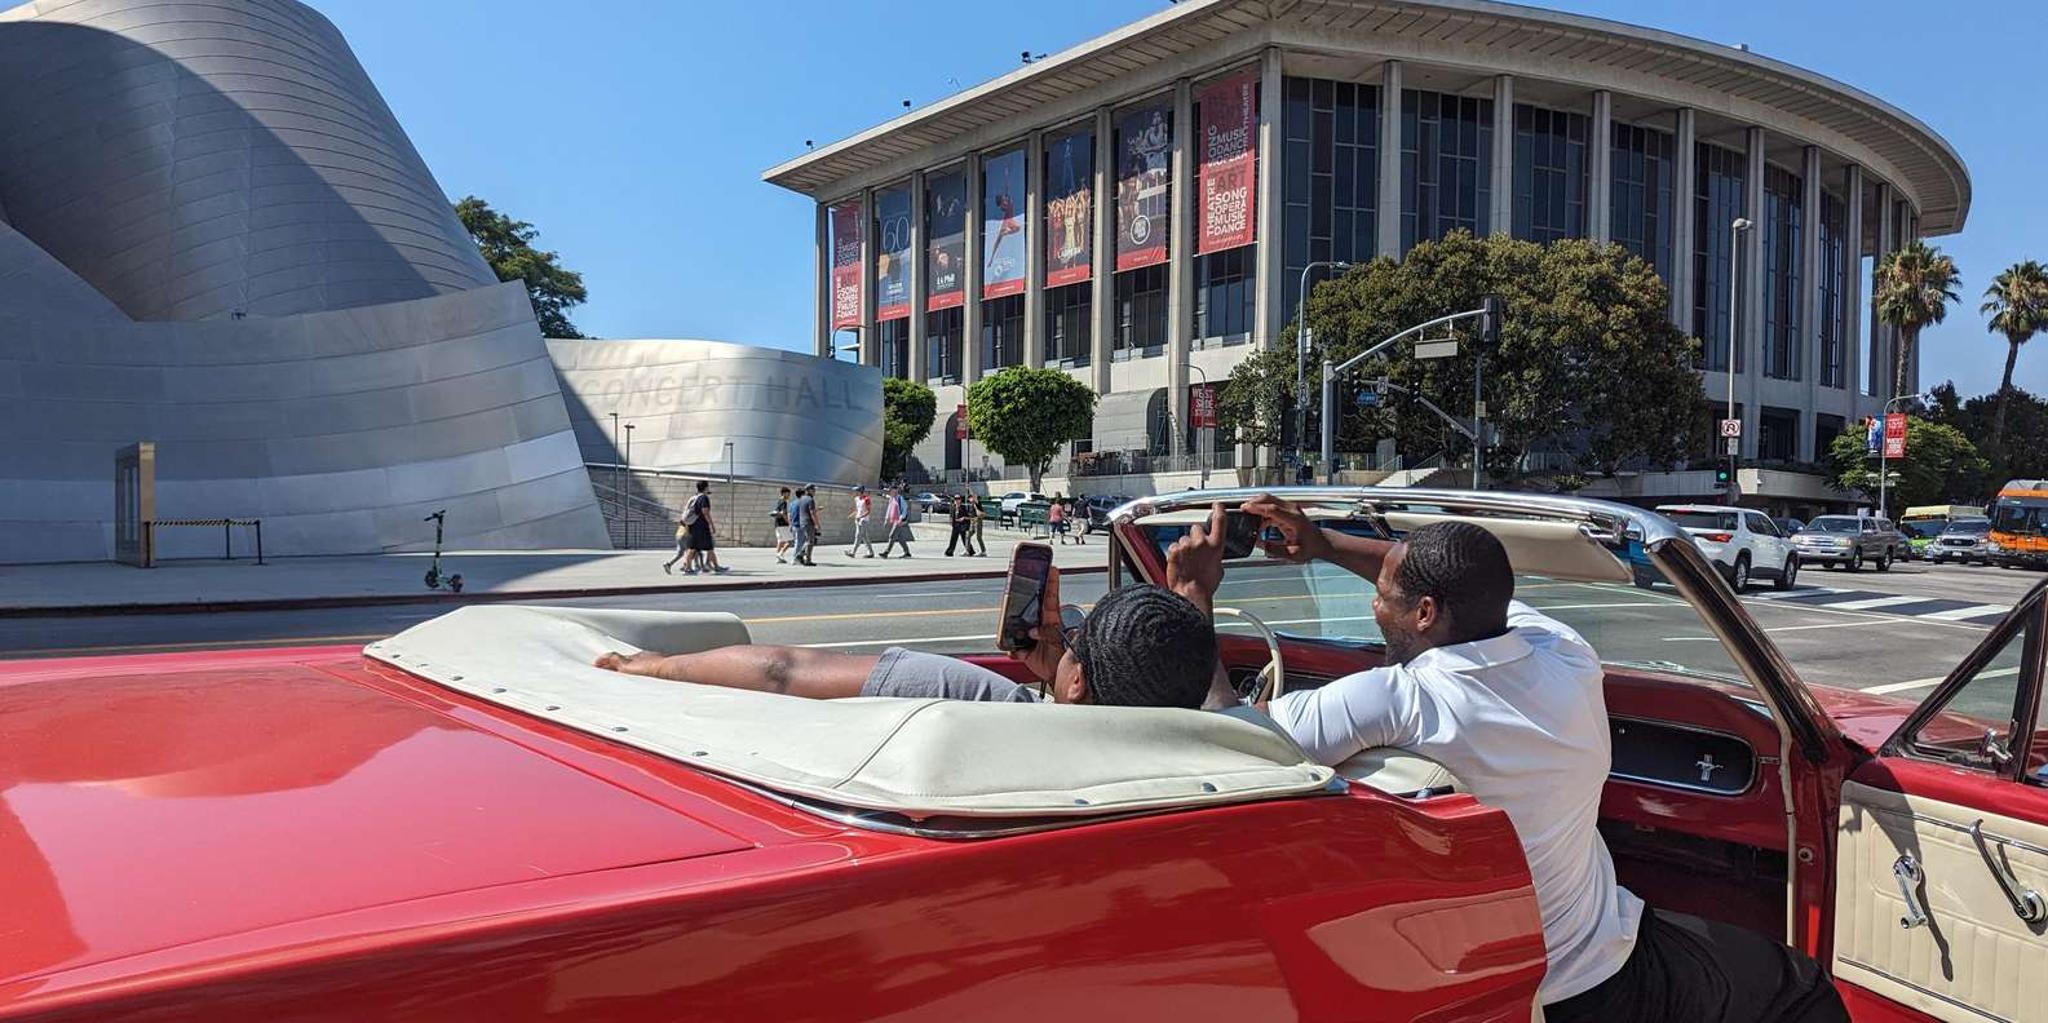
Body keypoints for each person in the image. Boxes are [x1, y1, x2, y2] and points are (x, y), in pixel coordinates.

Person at [1168, 496, 1848, 1023]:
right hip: (1608, 965)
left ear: (1426, 612)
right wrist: (1319, 543)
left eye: (1384, 596)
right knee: (1803, 987)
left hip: (1483, 981)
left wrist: (1195, 600)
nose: (1375, 602)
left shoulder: (1398, 700)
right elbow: (1466, 585)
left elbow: (1236, 740)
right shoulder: (1567, 655)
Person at [596, 568, 1241, 711]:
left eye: (1076, 637)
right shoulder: (1223, 754)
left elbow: (780, 671)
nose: (1062, 638)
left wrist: (653, 667)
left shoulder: (977, 701)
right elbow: (1217, 704)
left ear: (1076, 680)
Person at [787, 485, 817, 566]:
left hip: (795, 524)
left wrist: (790, 524)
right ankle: (796, 558)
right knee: (801, 542)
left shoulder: (792, 503)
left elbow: (789, 514)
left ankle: (799, 557)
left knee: (802, 542)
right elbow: (808, 513)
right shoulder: (802, 501)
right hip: (800, 524)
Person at [881, 484, 913, 558]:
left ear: (896, 491)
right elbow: (889, 509)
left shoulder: (900, 498)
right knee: (900, 537)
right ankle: (907, 552)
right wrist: (886, 519)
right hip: (894, 520)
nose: (891, 492)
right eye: (890, 491)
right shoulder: (891, 499)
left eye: (892, 490)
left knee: (892, 535)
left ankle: (886, 552)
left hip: (899, 521)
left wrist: (901, 519)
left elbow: (904, 509)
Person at [845, 485, 876, 558]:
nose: (855, 492)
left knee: (858, 536)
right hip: (857, 519)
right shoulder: (856, 499)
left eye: (856, 491)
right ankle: (871, 552)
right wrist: (852, 515)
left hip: (864, 520)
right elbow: (857, 510)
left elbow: (868, 511)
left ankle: (853, 552)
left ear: (860, 491)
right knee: (864, 536)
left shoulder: (867, 499)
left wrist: (860, 517)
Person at [771, 486, 793, 565]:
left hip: (777, 524)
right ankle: (780, 554)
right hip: (783, 524)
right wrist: (789, 522)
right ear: (784, 493)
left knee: (780, 541)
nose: (789, 495)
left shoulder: (779, 501)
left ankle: (778, 557)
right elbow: (784, 513)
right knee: (789, 541)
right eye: (788, 493)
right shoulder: (783, 501)